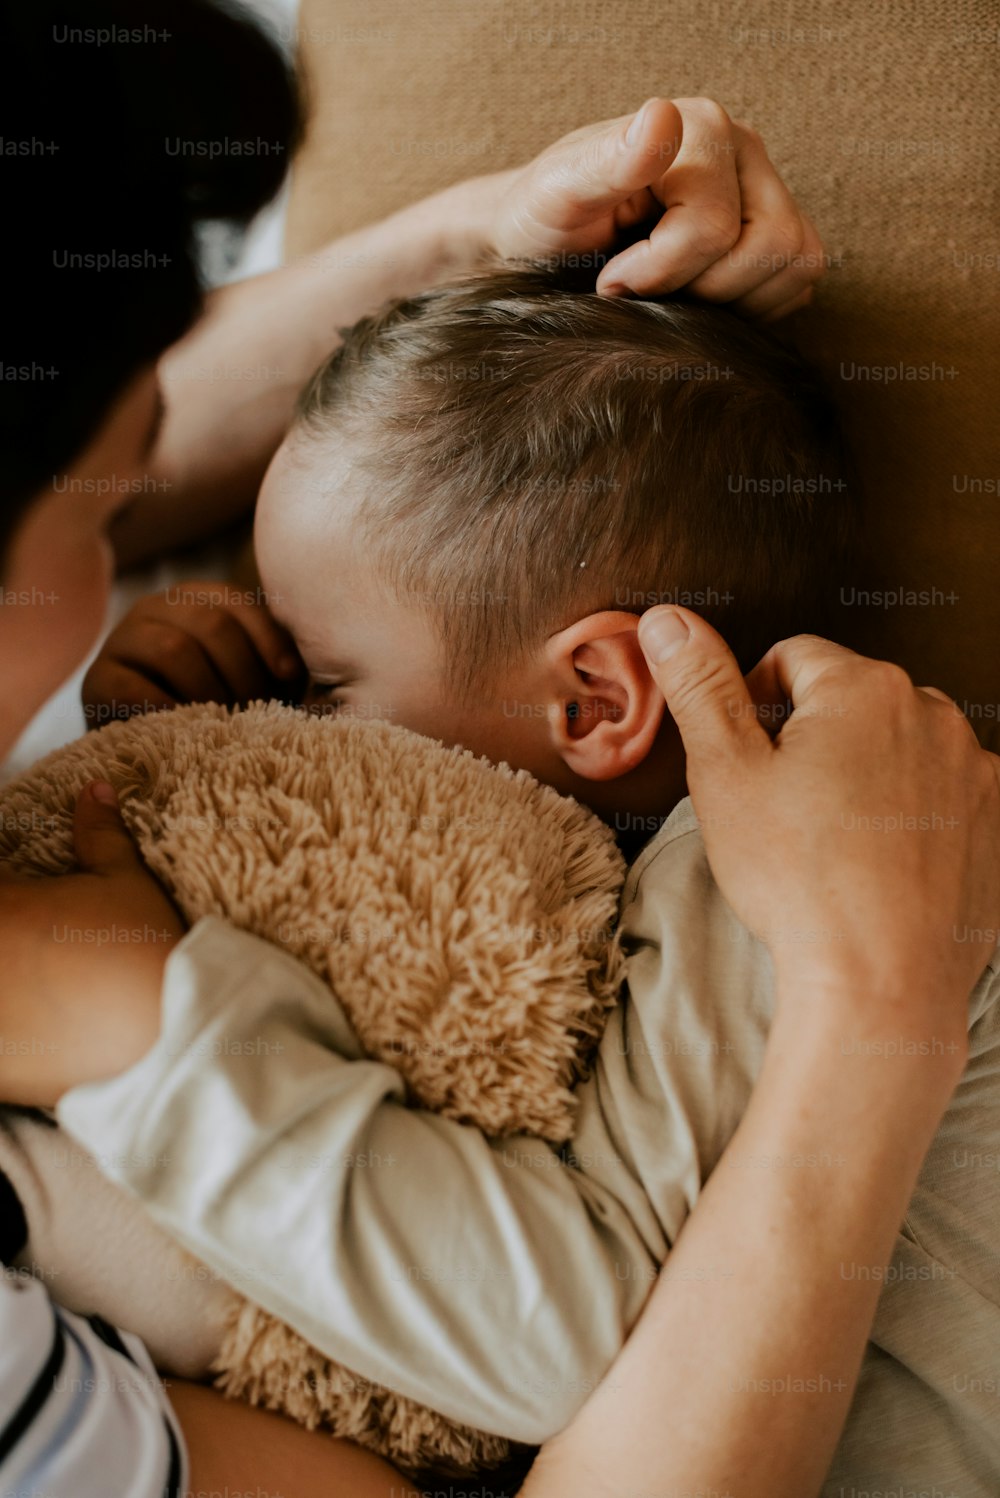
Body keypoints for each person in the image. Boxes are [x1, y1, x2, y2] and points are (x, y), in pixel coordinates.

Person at [1, 4, 996, 1495]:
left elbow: (564, 1315)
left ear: (596, 700)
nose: (265, 713)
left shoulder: (763, 874)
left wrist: (128, 1026)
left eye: (315, 677)